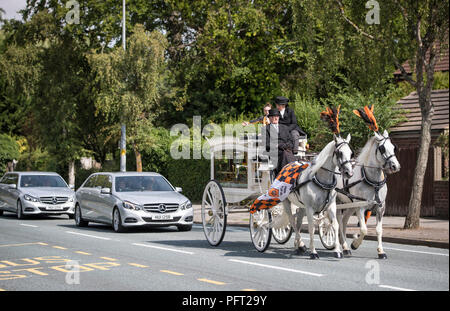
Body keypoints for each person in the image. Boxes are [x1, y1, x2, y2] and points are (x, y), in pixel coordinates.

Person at [264, 108, 296, 175]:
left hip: (286, 151)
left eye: (276, 116)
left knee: (286, 154)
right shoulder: (265, 129)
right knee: (285, 155)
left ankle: (288, 173)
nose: (275, 118)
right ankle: (287, 174)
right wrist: (277, 146)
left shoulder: (285, 128)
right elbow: (266, 144)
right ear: (269, 118)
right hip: (275, 153)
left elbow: (291, 143)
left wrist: (280, 145)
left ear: (278, 117)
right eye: (273, 117)